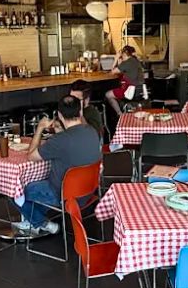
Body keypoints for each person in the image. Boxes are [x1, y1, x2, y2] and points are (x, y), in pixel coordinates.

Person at [16, 95, 101, 238]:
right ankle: (33, 220)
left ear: (60, 115)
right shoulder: (92, 132)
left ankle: (41, 223)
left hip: (65, 196)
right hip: (88, 192)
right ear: (80, 112)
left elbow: (31, 156)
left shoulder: (59, 140)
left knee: (16, 189)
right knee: (36, 187)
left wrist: (40, 128)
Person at [106, 45, 145, 115]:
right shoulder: (135, 61)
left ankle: (120, 114)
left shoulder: (127, 62)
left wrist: (116, 58)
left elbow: (112, 72)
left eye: (122, 56)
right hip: (140, 90)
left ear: (124, 54)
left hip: (130, 91)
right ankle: (125, 108)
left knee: (108, 94)